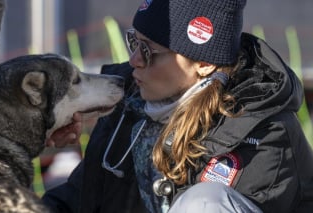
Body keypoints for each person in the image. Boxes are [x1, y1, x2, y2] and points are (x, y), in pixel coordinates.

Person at [42, 0, 313, 212]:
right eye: (134, 42)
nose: (134, 60)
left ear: (204, 64)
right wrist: (36, 139)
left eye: (148, 51)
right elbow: (77, 199)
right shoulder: (127, 105)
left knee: (205, 203)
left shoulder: (265, 134)